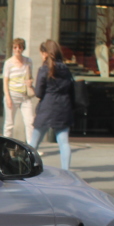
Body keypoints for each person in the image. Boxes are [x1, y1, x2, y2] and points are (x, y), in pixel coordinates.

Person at [30, 40, 74, 170]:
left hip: (47, 108)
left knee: (34, 142)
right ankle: (66, 171)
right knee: (64, 142)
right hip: (64, 107)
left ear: (45, 54)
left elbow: (38, 92)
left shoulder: (44, 69)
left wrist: (30, 86)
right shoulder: (66, 69)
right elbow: (71, 89)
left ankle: (28, 169)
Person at [2, 38, 36, 143]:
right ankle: (5, 146)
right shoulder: (8, 63)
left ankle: (32, 147)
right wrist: (7, 97)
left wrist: (30, 82)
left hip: (25, 96)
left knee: (30, 122)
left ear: (23, 48)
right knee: (9, 123)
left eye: (20, 47)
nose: (17, 50)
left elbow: (31, 77)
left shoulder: (28, 61)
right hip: (12, 95)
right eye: (15, 47)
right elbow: (5, 81)